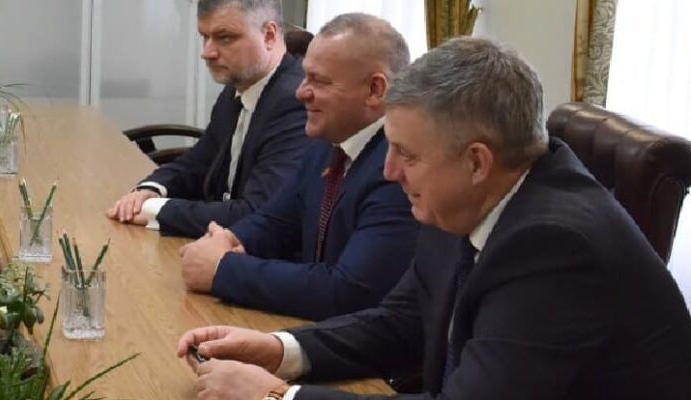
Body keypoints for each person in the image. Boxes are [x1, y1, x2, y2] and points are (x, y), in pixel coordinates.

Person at [175, 37, 691, 400]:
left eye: (407, 154)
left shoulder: (555, 247)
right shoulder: (470, 198)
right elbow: (403, 322)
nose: (389, 171)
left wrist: (276, 397)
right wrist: (278, 350)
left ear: (476, 161)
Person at [178, 13, 419, 321]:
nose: (300, 91)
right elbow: (276, 221)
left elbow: (349, 292)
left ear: (375, 90)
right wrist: (230, 239)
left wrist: (223, 269)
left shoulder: (400, 167)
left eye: (318, 81)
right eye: (305, 76)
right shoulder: (327, 142)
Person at [106, 0, 308, 238]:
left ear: (269, 35)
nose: (207, 53)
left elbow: (255, 214)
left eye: (224, 38)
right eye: (205, 37)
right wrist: (151, 189)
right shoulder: (237, 88)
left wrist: (157, 211)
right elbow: (198, 161)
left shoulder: (296, 101)